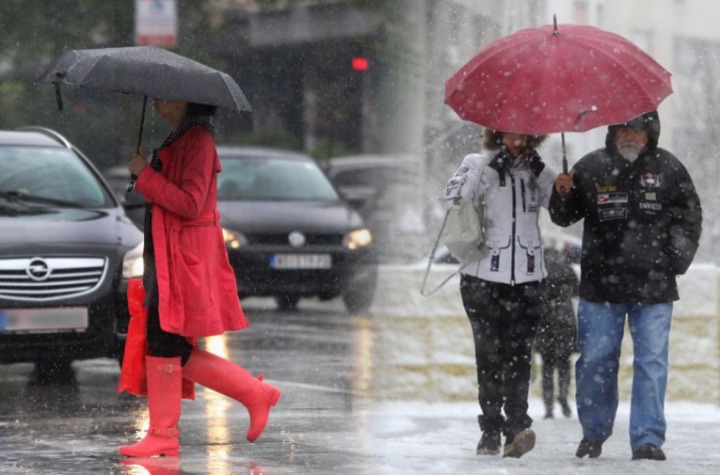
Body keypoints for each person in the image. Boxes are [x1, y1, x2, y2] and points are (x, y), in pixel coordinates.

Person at [120, 99, 281, 457]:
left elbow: (191, 203)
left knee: (167, 341)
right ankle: (164, 432)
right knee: (161, 340)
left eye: (164, 96)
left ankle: (249, 395)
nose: (158, 101)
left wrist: (146, 175)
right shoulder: (181, 137)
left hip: (181, 258)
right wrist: (144, 175)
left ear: (183, 100)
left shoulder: (199, 141)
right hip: (164, 254)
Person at [550, 110, 702, 461]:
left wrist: (673, 259)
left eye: (636, 130)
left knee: (651, 363)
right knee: (595, 362)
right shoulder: (589, 167)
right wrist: (562, 193)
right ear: (612, 132)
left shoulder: (670, 169)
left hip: (654, 288)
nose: (629, 136)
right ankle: (594, 433)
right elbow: (562, 216)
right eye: (621, 130)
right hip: (601, 287)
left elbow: (690, 216)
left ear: (651, 134)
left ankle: (648, 439)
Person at [445, 129, 557, 458]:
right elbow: (455, 195)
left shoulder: (539, 170)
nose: (518, 139)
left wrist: (557, 181)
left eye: (525, 133)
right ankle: (490, 429)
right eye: (510, 132)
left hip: (528, 277)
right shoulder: (478, 163)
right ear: (497, 133)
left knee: (520, 356)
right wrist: (492, 168)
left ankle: (517, 428)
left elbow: (563, 212)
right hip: (482, 277)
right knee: (489, 356)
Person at [533, 246, 579, 420]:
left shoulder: (540, 268)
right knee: (565, 365)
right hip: (565, 320)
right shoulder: (567, 267)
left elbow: (533, 293)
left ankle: (549, 406)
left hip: (545, 322)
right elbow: (577, 292)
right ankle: (564, 399)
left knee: (547, 367)